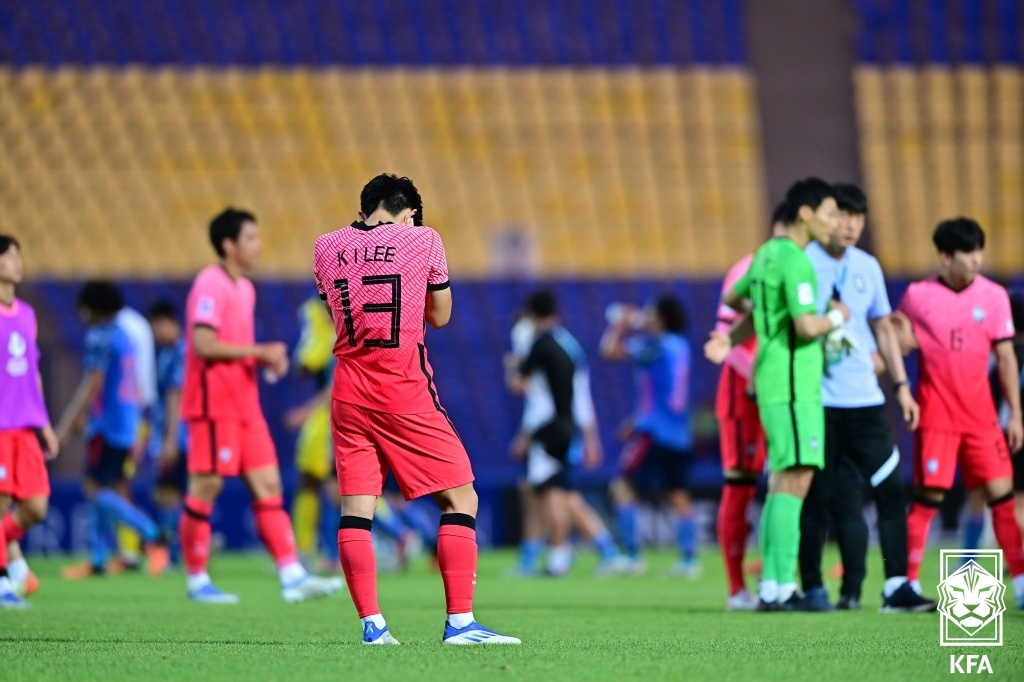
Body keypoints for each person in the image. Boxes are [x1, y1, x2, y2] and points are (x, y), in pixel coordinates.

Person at [314, 173, 519, 645]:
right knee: (461, 498)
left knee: (356, 511)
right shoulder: (422, 238)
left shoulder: (325, 246)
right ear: (407, 211)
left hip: (348, 390)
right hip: (402, 387)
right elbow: (440, 316)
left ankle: (373, 626)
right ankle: (461, 624)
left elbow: (339, 315)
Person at [178, 208, 342, 604]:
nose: (258, 244)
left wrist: (263, 359)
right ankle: (197, 579)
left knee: (268, 485)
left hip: (245, 404)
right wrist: (258, 350)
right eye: (250, 238)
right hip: (214, 402)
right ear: (228, 244)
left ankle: (291, 575)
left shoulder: (244, 288)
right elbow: (203, 343)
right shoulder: (210, 284)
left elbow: (233, 348)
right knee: (208, 485)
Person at [705, 177, 848, 611]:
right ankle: (782, 586)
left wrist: (732, 338)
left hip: (769, 382)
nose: (834, 223)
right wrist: (836, 317)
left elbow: (736, 298)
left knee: (780, 482)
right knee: (794, 482)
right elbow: (806, 327)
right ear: (805, 214)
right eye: (829, 215)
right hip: (793, 386)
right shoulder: (796, 261)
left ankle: (772, 585)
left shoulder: (763, 256)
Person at [799, 183, 934, 613]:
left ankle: (896, 586)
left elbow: (883, 329)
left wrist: (901, 387)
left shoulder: (867, 267)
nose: (851, 224)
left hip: (865, 402)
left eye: (858, 216)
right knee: (821, 500)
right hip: (817, 402)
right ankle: (815, 588)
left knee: (892, 488)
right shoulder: (803, 264)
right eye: (842, 214)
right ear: (824, 217)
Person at [891, 217, 1024, 609]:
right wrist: (902, 384)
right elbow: (897, 340)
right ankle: (907, 585)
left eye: (980, 249)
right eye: (968, 251)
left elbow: (1005, 358)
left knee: (1001, 499)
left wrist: (1015, 414)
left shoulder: (995, 296)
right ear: (945, 257)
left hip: (983, 420)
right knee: (926, 500)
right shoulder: (917, 296)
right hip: (937, 417)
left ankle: (1019, 585)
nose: (977, 258)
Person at [505, 291, 624, 577]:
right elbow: (582, 394)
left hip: (546, 428)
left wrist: (509, 365)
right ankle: (593, 550)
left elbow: (522, 388)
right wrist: (590, 435)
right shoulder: (570, 345)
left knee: (549, 494)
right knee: (558, 493)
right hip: (571, 426)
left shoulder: (539, 345)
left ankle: (557, 556)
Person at [57, 281, 169, 580]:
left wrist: (66, 427)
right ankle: (97, 559)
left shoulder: (100, 336)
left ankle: (152, 534)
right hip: (127, 424)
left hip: (107, 428)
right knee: (110, 489)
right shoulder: (124, 336)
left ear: (94, 308)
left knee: (95, 491)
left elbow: (92, 383)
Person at [713, 203, 787, 610]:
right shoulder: (746, 270)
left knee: (787, 483)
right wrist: (760, 376)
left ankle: (781, 581)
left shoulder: (803, 272)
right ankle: (736, 588)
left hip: (785, 391)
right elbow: (728, 339)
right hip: (745, 393)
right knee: (741, 487)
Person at [601, 295, 699, 577]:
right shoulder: (681, 346)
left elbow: (609, 351)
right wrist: (636, 418)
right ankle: (689, 561)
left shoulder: (654, 345)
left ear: (662, 318)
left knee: (622, 487)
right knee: (677, 494)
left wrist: (621, 324)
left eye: (652, 313)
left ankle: (631, 556)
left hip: (655, 432)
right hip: (680, 432)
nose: (647, 316)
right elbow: (664, 389)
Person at [0, 235, 59, 607]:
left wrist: (45, 424)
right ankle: (6, 580)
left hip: (25, 426)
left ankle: (11, 555)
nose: (18, 262)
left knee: (36, 507)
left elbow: (33, 372)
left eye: (19, 255)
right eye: (9, 256)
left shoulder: (27, 314)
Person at [283, 296, 339, 568]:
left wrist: (304, 412)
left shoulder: (346, 332)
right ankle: (308, 550)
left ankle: (399, 534)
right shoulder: (327, 334)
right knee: (317, 482)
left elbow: (338, 384)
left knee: (336, 488)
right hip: (327, 416)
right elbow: (303, 366)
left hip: (340, 416)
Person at [147, 300, 189, 567]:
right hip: (171, 433)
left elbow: (176, 396)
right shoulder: (168, 353)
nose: (153, 333)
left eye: (154, 327)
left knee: (169, 493)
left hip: (181, 436)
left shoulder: (180, 353)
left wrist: (171, 440)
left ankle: (174, 552)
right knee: (167, 492)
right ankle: (182, 547)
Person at [989, 289, 1024, 540]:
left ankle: (968, 561)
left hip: (1007, 434)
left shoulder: (1003, 356)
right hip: (1012, 432)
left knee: (1007, 502)